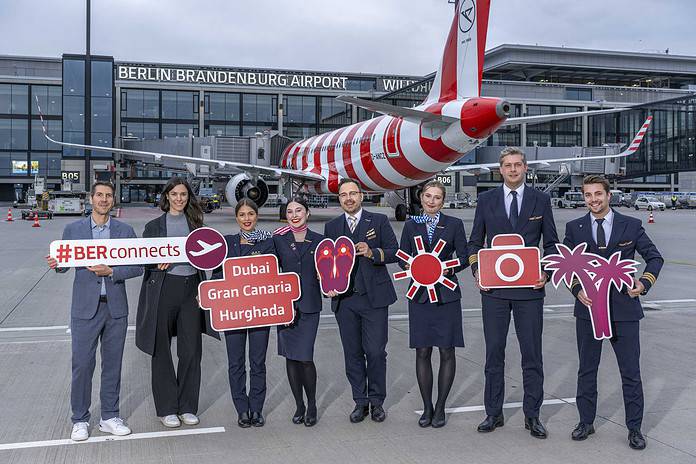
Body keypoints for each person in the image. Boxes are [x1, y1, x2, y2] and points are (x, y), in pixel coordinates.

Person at [564, 175, 663, 450]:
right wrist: (576, 290)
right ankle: (586, 421)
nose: (593, 199)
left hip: (624, 312)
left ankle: (635, 428)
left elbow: (654, 258)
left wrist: (643, 283)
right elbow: (568, 265)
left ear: (609, 195)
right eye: (588, 195)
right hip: (588, 311)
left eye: (598, 194)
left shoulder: (630, 225)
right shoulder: (575, 227)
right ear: (584, 197)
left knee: (630, 371)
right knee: (587, 369)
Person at [468, 147, 559, 439]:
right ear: (500, 169)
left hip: (529, 292)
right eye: (507, 165)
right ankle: (493, 413)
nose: (513, 170)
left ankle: (532, 415)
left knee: (532, 354)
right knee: (494, 353)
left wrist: (547, 272)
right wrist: (477, 271)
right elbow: (474, 244)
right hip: (494, 291)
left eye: (518, 165)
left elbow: (552, 244)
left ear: (526, 168)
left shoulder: (541, 200)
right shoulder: (486, 200)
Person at [46, 181, 143, 441]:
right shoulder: (73, 229)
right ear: (91, 199)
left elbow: (137, 267)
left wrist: (112, 271)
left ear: (113, 200)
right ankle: (80, 419)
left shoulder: (124, 231)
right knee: (82, 365)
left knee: (112, 365)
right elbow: (63, 266)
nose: (103, 199)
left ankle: (109, 416)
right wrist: (56, 263)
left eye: (108, 196)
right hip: (85, 309)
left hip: (115, 308)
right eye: (99, 195)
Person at [136, 177, 219, 429]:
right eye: (174, 194)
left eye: (183, 194)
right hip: (163, 289)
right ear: (167, 197)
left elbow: (210, 256)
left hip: (191, 290)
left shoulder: (197, 225)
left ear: (188, 197)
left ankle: (187, 407)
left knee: (191, 350)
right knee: (161, 349)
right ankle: (167, 408)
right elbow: (143, 259)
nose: (179, 199)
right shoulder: (153, 226)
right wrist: (154, 263)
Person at [323, 178, 399, 423]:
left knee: (376, 352)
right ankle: (360, 401)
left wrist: (371, 252)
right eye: (344, 195)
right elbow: (326, 264)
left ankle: (377, 401)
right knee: (352, 354)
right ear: (340, 199)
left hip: (374, 299)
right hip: (345, 301)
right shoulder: (332, 227)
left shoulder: (378, 221)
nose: (348, 198)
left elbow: (394, 251)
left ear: (361, 196)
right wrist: (328, 285)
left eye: (353, 194)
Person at [399, 180, 469, 428]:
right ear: (421, 197)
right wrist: (412, 267)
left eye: (437, 197)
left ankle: (440, 407)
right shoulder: (410, 225)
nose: (431, 201)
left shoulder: (454, 224)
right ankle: (427, 407)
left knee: (446, 350)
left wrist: (445, 269)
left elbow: (464, 256)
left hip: (446, 295)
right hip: (419, 296)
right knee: (422, 350)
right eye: (428, 196)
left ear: (443, 200)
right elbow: (402, 257)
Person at [214, 198, 275, 428]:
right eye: (242, 215)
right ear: (236, 218)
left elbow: (274, 272)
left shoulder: (268, 243)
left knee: (258, 363)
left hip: (261, 311)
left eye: (251, 214)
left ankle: (257, 409)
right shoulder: (228, 243)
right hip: (234, 313)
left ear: (256, 216)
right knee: (236, 363)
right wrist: (208, 293)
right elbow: (217, 276)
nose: (247, 219)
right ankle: (242, 409)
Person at [272, 197, 324, 427]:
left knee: (305, 358)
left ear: (307, 213)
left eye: (299, 210)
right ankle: (299, 405)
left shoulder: (321, 241)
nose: (294, 214)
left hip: (310, 305)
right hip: (285, 306)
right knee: (291, 359)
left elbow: (332, 269)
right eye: (290, 211)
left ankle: (311, 403)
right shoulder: (278, 239)